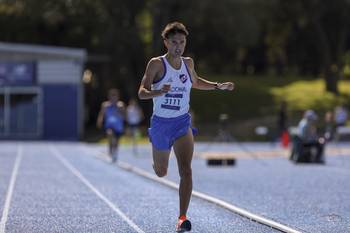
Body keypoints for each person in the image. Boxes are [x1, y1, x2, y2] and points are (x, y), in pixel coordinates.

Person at [138, 22, 234, 232]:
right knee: (162, 172)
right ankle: (157, 157)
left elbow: (196, 82)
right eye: (174, 42)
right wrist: (157, 92)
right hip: (161, 124)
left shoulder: (188, 63)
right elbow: (141, 92)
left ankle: (182, 217)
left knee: (186, 171)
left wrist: (218, 86)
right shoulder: (156, 64)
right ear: (166, 42)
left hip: (182, 122)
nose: (178, 46)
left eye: (182, 42)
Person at [97, 88, 126, 163]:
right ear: (109, 97)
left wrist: (120, 111)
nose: (113, 98)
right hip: (109, 125)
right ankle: (110, 152)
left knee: (116, 141)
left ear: (117, 97)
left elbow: (124, 116)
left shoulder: (120, 105)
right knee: (110, 135)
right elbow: (102, 114)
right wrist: (99, 121)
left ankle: (115, 153)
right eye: (112, 96)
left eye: (115, 96)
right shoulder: (105, 105)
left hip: (118, 126)